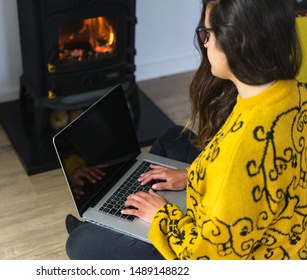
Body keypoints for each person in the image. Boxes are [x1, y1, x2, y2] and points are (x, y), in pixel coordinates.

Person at [65, 0, 307, 260]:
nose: (204, 43)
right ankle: (117, 225)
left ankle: (109, 230)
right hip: (284, 225)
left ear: (236, 42)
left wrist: (162, 216)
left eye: (207, 33)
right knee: (172, 137)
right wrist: (192, 175)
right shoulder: (294, 91)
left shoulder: (239, 153)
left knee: (80, 243)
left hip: (250, 255)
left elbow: (208, 258)